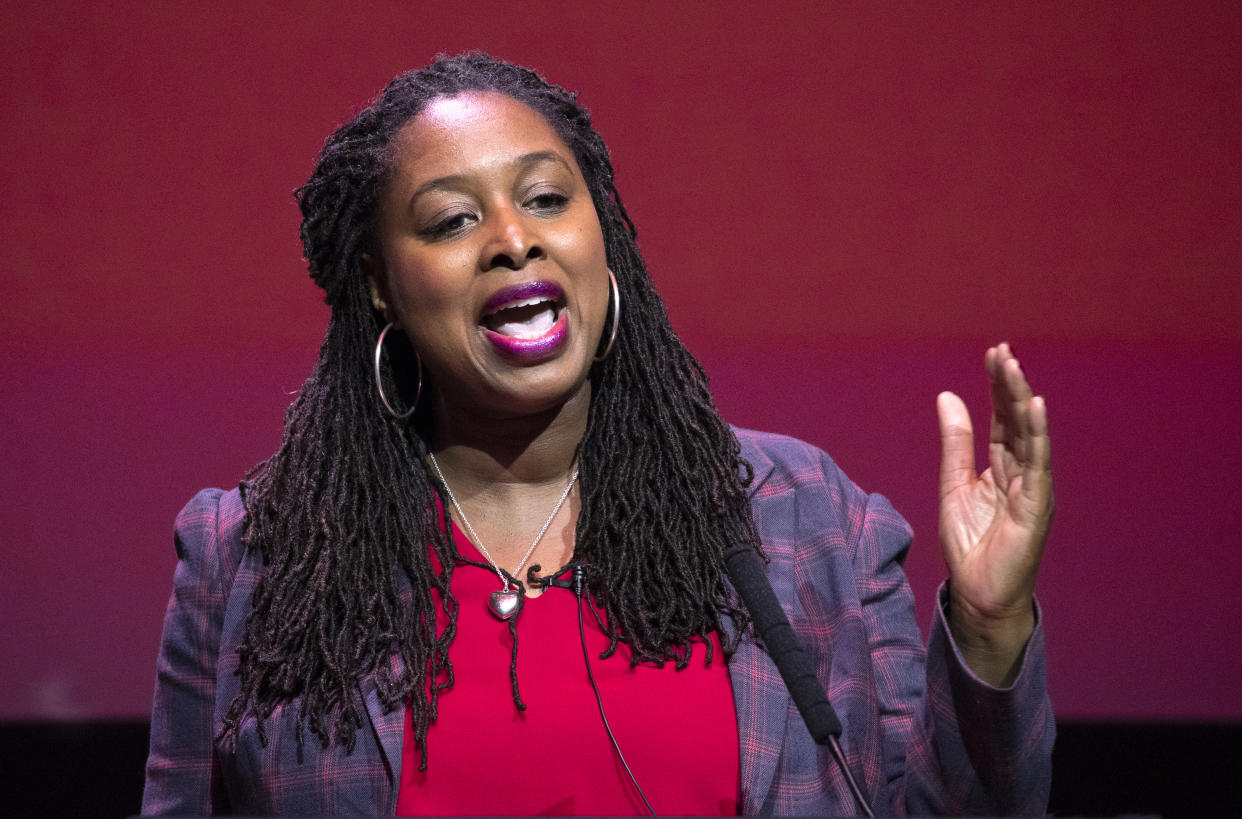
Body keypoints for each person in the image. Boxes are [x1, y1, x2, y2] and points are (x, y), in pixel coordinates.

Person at [142, 53, 1054, 816]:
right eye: (453, 220)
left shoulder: (802, 520)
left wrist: (987, 628)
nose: (512, 239)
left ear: (600, 235)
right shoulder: (253, 561)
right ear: (380, 283)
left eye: (545, 199)